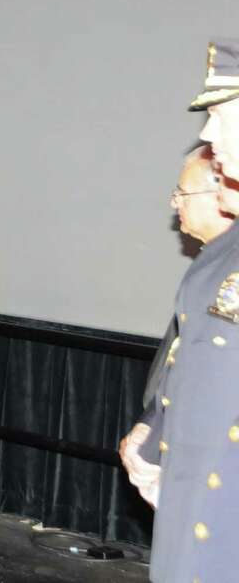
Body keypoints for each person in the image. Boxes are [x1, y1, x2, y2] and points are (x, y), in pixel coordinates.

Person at [126, 39, 239, 583]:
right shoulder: (216, 263)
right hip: (193, 517)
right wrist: (154, 440)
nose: (208, 135)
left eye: (220, 116)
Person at [119, 145, 233, 488]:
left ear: (220, 196)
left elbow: (214, 377)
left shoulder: (228, 268)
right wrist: (150, 424)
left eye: (182, 193)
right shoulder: (210, 264)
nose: (174, 202)